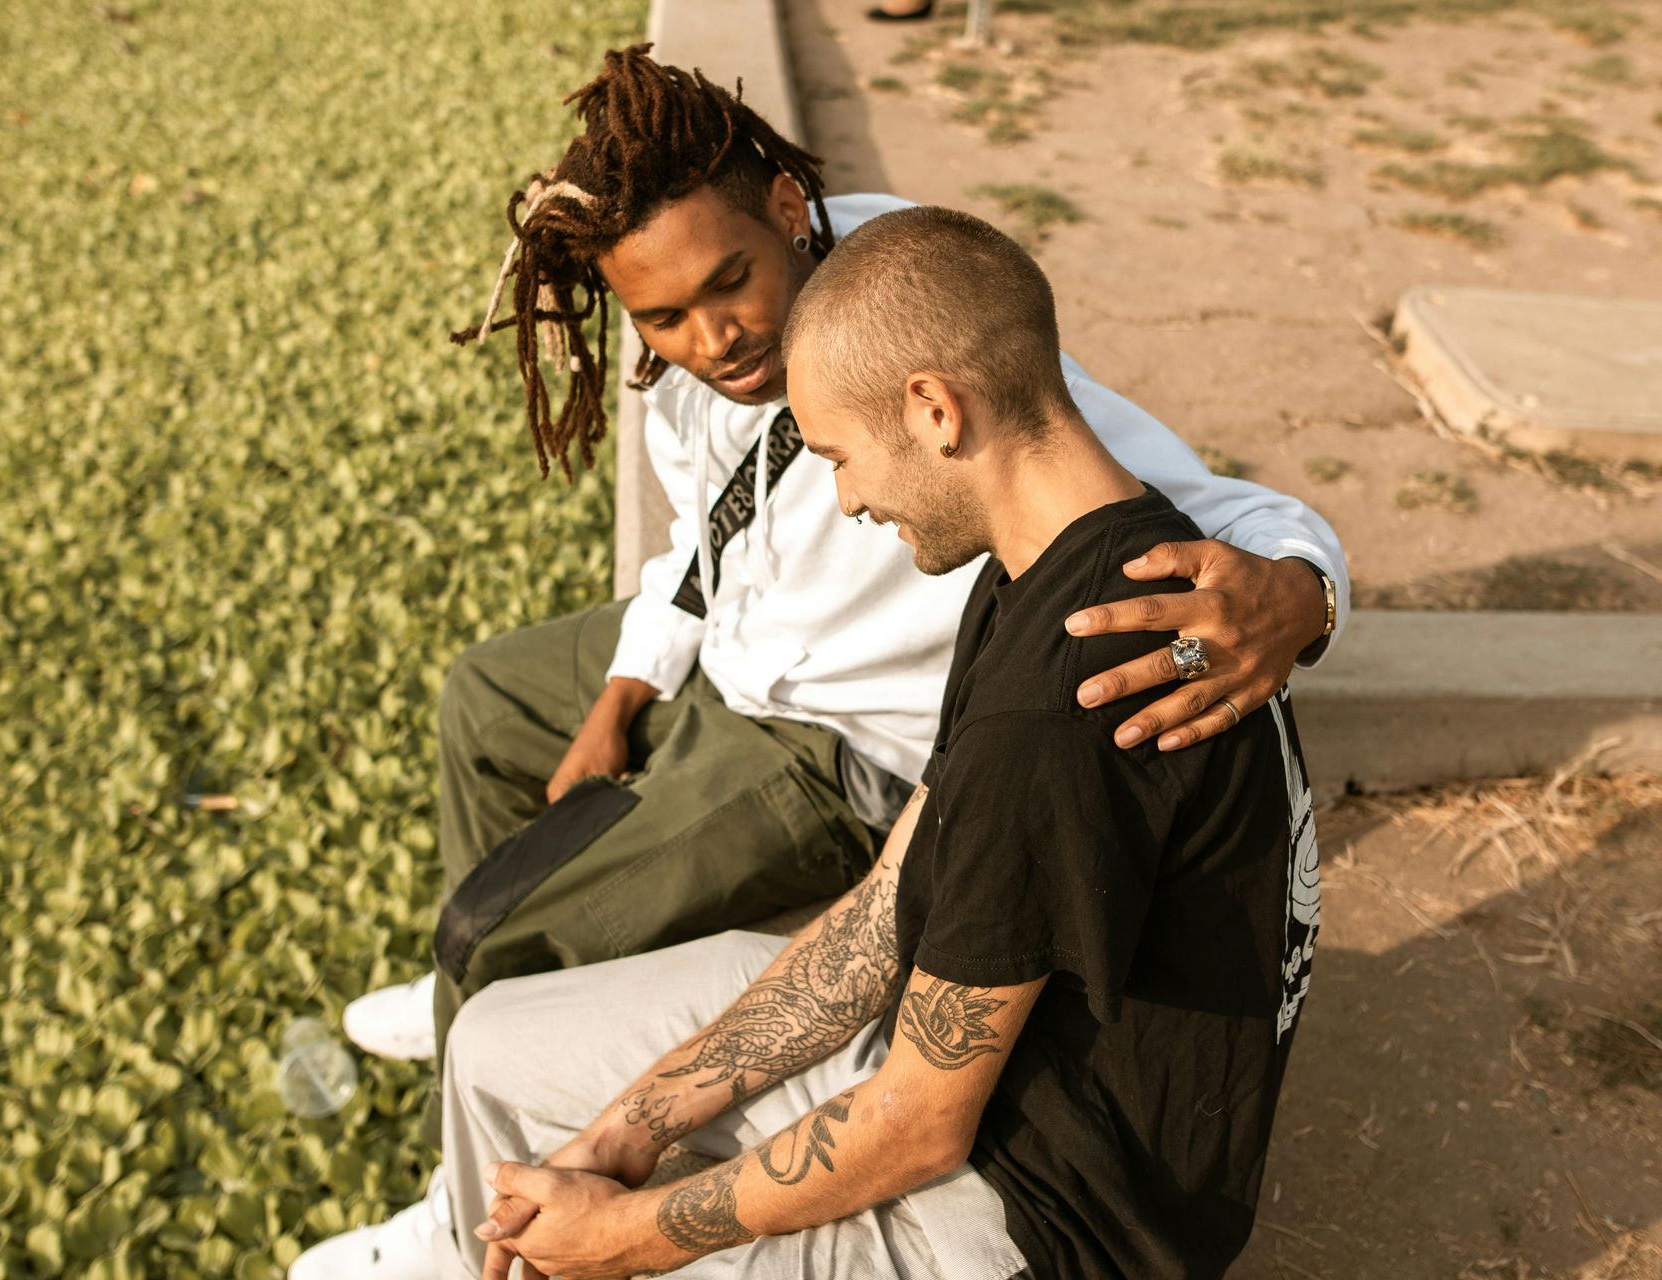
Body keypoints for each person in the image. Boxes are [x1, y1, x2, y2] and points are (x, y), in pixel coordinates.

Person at [291, 46, 1343, 1277]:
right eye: (662, 317)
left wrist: (620, 1234)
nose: (842, 497)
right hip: (796, 738)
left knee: (506, 944)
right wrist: (632, 1125)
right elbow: (878, 918)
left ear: (933, 410)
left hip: (1032, 1217)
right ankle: (483, 1128)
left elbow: (916, 1119)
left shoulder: (1064, 679)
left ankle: (490, 1076)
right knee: (498, 1026)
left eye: (839, 455)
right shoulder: (1017, 574)